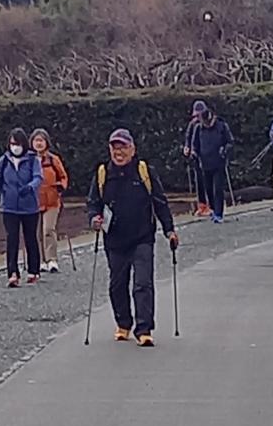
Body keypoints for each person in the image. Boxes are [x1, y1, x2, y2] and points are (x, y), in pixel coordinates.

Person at [87, 129, 178, 347]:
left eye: (123, 147)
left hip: (142, 237)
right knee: (117, 285)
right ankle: (123, 324)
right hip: (114, 239)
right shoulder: (102, 173)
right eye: (114, 148)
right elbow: (93, 202)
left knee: (143, 283)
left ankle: (144, 329)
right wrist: (94, 218)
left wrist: (169, 230)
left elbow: (160, 202)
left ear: (132, 149)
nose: (118, 152)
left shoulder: (144, 171)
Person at [0, 128, 43, 288]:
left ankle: (33, 270)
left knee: (30, 237)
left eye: (18, 143)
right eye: (12, 143)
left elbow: (38, 177)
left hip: (29, 206)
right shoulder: (4, 161)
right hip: (9, 206)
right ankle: (12, 273)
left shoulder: (33, 160)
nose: (15, 147)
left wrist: (30, 187)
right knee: (12, 238)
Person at [31, 128, 69, 273]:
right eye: (36, 140)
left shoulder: (53, 159)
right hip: (33, 201)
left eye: (41, 140)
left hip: (52, 201)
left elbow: (63, 176)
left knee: (48, 229)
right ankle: (40, 261)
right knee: (35, 233)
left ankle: (52, 259)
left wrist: (61, 186)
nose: (39, 143)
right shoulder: (29, 160)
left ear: (47, 142)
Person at [191, 106, 234, 224]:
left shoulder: (221, 126)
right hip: (205, 164)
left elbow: (230, 142)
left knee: (218, 189)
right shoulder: (198, 128)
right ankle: (214, 210)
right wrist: (194, 153)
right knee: (208, 189)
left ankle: (219, 213)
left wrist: (225, 150)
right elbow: (195, 145)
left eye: (208, 122)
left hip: (218, 162)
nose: (206, 125)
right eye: (204, 123)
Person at [184, 100, 211, 218]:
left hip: (208, 157)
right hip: (196, 157)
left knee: (209, 182)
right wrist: (187, 147)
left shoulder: (210, 124)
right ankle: (202, 206)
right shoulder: (192, 124)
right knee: (199, 181)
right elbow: (188, 137)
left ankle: (212, 205)